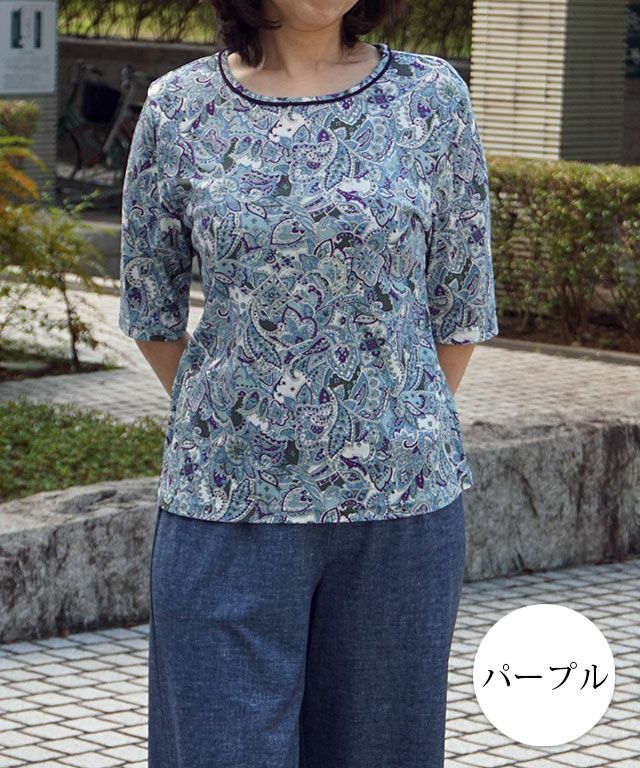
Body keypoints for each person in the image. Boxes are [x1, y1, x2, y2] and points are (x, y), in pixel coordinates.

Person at [118, 1, 499, 766]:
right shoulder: (180, 107)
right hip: (225, 509)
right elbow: (150, 308)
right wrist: (238, 419)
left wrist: (385, 422)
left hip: (398, 514)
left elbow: (460, 307)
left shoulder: (430, 98)